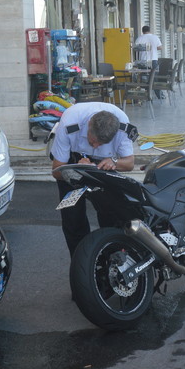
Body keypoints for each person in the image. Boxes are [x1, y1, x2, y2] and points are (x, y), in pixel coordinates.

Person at [50, 102, 135, 257]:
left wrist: (114, 162)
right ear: (88, 125)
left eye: (101, 143)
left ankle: (111, 259)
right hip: (74, 160)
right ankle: (80, 260)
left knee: (112, 214)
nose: (95, 146)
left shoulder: (122, 124)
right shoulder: (70, 122)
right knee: (73, 218)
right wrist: (74, 168)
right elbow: (56, 171)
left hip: (104, 164)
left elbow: (129, 164)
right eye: (92, 141)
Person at [135, 25, 164, 98]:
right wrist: (153, 47)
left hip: (143, 61)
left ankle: (144, 94)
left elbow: (135, 49)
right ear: (150, 30)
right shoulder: (155, 37)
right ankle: (159, 95)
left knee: (142, 77)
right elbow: (160, 47)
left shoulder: (139, 38)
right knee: (155, 77)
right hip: (153, 59)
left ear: (142, 31)